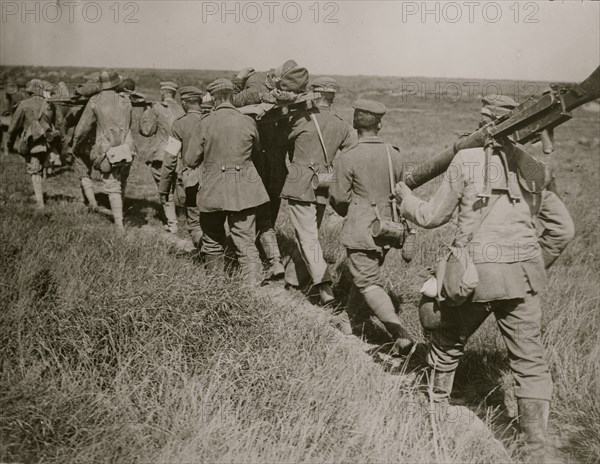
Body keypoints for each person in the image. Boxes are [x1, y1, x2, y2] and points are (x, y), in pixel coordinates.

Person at [393, 96, 575, 461]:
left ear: (486, 122)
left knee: (446, 338)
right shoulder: (536, 167)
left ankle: (435, 412)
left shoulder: (466, 159)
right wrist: (532, 265)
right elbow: (563, 230)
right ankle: (535, 448)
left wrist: (405, 197)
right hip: (522, 277)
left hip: (472, 275)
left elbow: (430, 217)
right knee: (529, 361)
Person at [329, 99, 415, 350]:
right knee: (366, 273)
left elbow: (339, 198)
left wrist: (353, 213)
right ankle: (348, 318)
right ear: (380, 124)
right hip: (388, 229)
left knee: (368, 281)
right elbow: (400, 192)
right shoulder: (394, 154)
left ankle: (400, 333)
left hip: (362, 230)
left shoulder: (349, 156)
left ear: (355, 123)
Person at [184, 78, 268, 282]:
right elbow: (256, 150)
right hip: (245, 192)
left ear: (213, 99)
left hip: (213, 191)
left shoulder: (206, 122)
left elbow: (191, 159)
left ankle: (215, 286)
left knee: (212, 240)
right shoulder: (248, 121)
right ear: (232, 96)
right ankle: (252, 290)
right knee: (246, 241)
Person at [280, 76, 355, 305]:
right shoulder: (342, 124)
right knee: (307, 235)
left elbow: (282, 144)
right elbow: (352, 155)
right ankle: (293, 281)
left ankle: (324, 286)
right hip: (323, 186)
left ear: (313, 94)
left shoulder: (300, 119)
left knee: (308, 237)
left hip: (300, 183)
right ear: (332, 97)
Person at [230, 60, 307, 280]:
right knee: (260, 212)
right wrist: (241, 81)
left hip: (269, 166)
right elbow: (233, 101)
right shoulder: (256, 87)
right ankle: (268, 259)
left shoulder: (292, 94)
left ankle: (263, 260)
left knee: (265, 212)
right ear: (276, 80)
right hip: (260, 161)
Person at [72, 70, 137, 231]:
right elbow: (130, 124)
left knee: (112, 185)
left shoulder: (94, 101)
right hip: (127, 148)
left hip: (105, 150)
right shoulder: (126, 100)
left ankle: (119, 225)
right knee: (122, 181)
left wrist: (75, 146)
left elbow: (82, 129)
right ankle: (121, 215)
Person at [159, 86, 208, 249]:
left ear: (185, 103)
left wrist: (164, 187)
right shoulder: (211, 119)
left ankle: (206, 257)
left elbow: (170, 158)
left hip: (192, 181)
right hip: (215, 179)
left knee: (195, 222)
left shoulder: (179, 125)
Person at [6, 79, 62, 209]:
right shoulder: (50, 104)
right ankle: (40, 196)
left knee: (35, 170)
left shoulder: (24, 104)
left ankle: (40, 203)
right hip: (48, 142)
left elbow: (13, 128)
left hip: (32, 143)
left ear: (30, 90)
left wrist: (9, 145)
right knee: (40, 168)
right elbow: (58, 124)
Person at [139, 81, 185, 234]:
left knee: (165, 190)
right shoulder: (181, 109)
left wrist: (146, 112)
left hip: (162, 154)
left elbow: (147, 131)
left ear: (164, 93)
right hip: (179, 154)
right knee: (177, 187)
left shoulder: (157, 108)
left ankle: (172, 224)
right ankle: (184, 219)